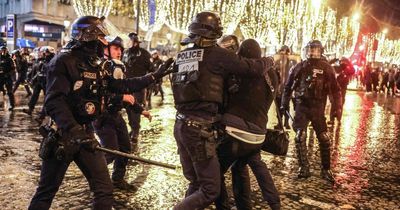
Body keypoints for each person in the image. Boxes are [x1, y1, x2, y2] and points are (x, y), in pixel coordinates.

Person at [28, 16, 172, 210]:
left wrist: (152, 76)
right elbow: (54, 102)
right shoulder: (63, 61)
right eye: (101, 36)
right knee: (46, 192)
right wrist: (73, 129)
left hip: (86, 134)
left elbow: (120, 85)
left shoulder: (98, 64)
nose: (104, 41)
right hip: (62, 135)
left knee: (104, 190)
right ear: (87, 36)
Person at [171, 11, 274, 210]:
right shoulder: (217, 55)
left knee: (196, 182)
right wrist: (268, 61)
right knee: (210, 188)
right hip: (199, 128)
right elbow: (252, 68)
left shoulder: (182, 56)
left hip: (180, 125)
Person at [215, 38, 281, 210]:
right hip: (257, 134)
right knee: (244, 166)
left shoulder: (240, 71)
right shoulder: (272, 75)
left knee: (214, 172)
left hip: (235, 133)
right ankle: (274, 204)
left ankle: (223, 206)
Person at [93, 36, 152, 190]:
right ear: (106, 50)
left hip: (115, 115)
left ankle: (117, 180)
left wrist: (141, 110)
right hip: (102, 117)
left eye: (120, 49)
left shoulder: (118, 67)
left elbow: (127, 94)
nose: (119, 52)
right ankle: (97, 180)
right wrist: (121, 96)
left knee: (125, 149)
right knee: (110, 152)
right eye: (115, 49)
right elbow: (99, 94)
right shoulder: (99, 67)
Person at [281, 40, 341, 183]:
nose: (312, 52)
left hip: (318, 106)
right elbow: (288, 87)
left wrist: (337, 107)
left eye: (315, 50)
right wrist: (284, 103)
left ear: (320, 51)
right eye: (310, 49)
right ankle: (304, 167)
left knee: (324, 138)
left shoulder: (327, 68)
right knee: (300, 136)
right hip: (302, 106)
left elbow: (335, 89)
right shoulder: (299, 67)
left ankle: (326, 169)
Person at [122, 32, 152, 148]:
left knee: (136, 109)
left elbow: (151, 69)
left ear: (135, 43)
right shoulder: (125, 53)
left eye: (131, 41)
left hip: (139, 87)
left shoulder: (145, 54)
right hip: (126, 85)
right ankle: (133, 128)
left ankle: (135, 131)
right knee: (129, 108)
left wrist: (149, 84)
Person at [23, 47, 55, 117]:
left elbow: (48, 70)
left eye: (44, 52)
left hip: (47, 81)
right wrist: (31, 78)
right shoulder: (41, 60)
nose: (41, 54)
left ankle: (43, 114)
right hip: (39, 80)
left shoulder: (52, 60)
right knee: (34, 94)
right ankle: (30, 109)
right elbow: (37, 70)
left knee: (47, 97)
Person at [328, 57, 355, 124]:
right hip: (334, 89)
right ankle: (332, 119)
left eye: (344, 61)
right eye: (341, 61)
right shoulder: (336, 68)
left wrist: (349, 62)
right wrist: (334, 60)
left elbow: (353, 70)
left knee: (340, 104)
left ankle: (338, 118)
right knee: (333, 103)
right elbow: (327, 65)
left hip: (342, 89)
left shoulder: (347, 70)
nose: (343, 63)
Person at [275, 45, 293, 129]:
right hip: (279, 88)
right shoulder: (277, 62)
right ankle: (280, 122)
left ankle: (286, 122)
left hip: (287, 88)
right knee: (278, 106)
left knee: (286, 105)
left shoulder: (291, 63)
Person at [0, 46, 16, 111]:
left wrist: (8, 74)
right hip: (0, 77)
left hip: (7, 77)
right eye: (2, 50)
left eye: (4, 50)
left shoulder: (9, 59)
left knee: (10, 91)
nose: (3, 51)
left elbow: (13, 68)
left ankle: (12, 105)